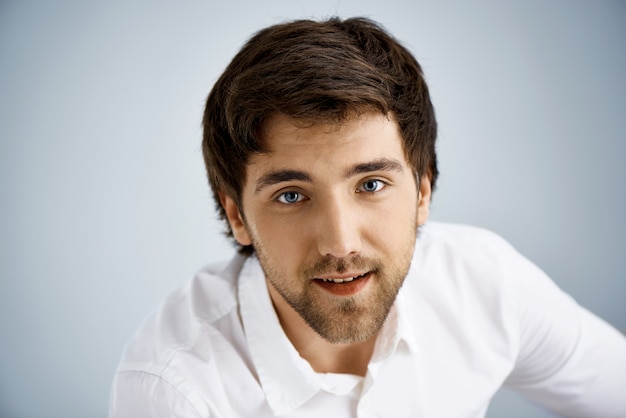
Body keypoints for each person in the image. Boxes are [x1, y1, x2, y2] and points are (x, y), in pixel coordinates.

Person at [109, 17, 626, 417]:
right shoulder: (174, 389)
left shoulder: (484, 285)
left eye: (371, 185)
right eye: (291, 195)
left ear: (422, 190)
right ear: (237, 215)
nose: (339, 243)